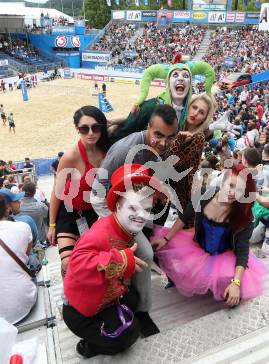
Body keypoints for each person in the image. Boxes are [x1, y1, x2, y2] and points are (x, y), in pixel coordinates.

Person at [91, 104, 179, 337]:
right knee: (137, 257)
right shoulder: (124, 149)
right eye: (158, 134)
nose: (162, 142)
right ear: (149, 127)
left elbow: (145, 175)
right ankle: (120, 312)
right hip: (113, 215)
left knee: (143, 257)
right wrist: (115, 225)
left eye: (169, 137)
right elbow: (96, 193)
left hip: (137, 212)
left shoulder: (163, 147)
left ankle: (140, 311)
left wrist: (156, 189)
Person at [63, 164, 159, 358]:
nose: (141, 215)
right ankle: (90, 347)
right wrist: (122, 260)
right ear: (118, 205)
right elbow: (76, 265)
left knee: (133, 299)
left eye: (146, 209)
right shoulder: (101, 232)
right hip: (81, 312)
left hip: (107, 297)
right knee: (127, 337)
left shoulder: (125, 229)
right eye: (133, 207)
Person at [151, 164, 266, 306]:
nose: (232, 192)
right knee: (160, 249)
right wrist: (165, 238)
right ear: (223, 182)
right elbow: (184, 216)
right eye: (230, 185)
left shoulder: (245, 217)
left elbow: (242, 252)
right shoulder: (204, 194)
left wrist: (236, 283)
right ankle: (176, 281)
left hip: (224, 256)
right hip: (198, 247)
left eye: (239, 190)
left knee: (235, 295)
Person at [47, 106, 110, 277]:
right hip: (67, 213)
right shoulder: (71, 156)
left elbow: (130, 121)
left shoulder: (107, 151)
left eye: (95, 127)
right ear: (77, 129)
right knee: (68, 263)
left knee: (87, 265)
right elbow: (56, 192)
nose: (90, 133)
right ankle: (70, 298)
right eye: (84, 128)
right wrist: (52, 225)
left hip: (91, 215)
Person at [0, 195, 37, 324]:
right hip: (22, 303)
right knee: (31, 259)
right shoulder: (22, 226)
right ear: (6, 209)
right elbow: (27, 253)